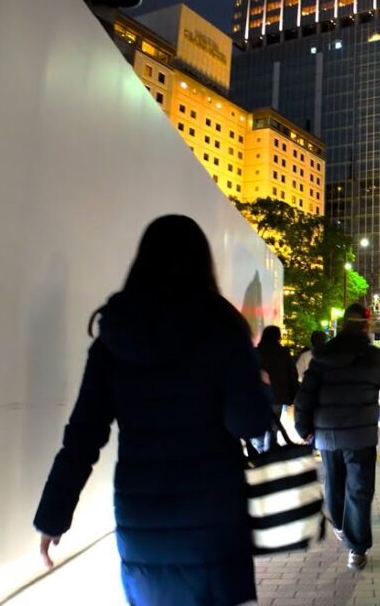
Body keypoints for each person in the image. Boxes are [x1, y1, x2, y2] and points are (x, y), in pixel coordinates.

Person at [33, 215, 272, 606]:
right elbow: (247, 421)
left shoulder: (115, 336)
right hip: (213, 522)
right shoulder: (223, 328)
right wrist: (260, 389)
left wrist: (53, 515)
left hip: (145, 522)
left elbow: (83, 437)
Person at [295, 303, 380, 571]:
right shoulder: (377, 358)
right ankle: (356, 549)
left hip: (327, 434)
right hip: (361, 435)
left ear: (343, 324)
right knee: (359, 489)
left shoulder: (321, 356)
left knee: (334, 482)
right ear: (367, 327)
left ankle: (342, 527)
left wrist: (303, 427)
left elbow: (306, 393)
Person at [256, 325, 299, 451]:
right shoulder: (284, 353)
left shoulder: (256, 352)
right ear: (278, 337)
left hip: (258, 396)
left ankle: (259, 449)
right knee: (274, 424)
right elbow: (292, 374)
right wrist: (293, 393)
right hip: (278, 395)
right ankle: (270, 449)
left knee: (259, 422)